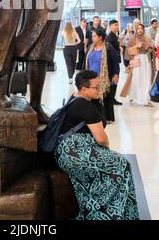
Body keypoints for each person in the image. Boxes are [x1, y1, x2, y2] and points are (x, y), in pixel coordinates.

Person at [55, 69, 139, 220]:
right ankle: (111, 213)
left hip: (66, 153)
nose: (99, 89)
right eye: (96, 87)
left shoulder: (74, 98)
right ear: (83, 88)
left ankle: (99, 208)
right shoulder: (85, 106)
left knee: (113, 165)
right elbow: (101, 139)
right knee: (122, 164)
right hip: (76, 153)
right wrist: (107, 152)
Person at [85, 28, 120, 123]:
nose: (92, 38)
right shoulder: (90, 48)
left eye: (94, 36)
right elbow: (86, 63)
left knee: (106, 98)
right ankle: (94, 117)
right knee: (93, 99)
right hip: (91, 78)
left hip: (104, 78)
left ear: (100, 37)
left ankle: (107, 118)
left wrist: (116, 74)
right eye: (92, 36)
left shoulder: (108, 48)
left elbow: (115, 62)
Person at [127, 23, 156, 106]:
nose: (140, 30)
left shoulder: (147, 38)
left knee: (146, 78)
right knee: (137, 78)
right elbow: (128, 51)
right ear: (136, 29)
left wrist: (150, 49)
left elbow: (153, 50)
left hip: (146, 61)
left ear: (143, 29)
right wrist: (137, 46)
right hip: (136, 60)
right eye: (138, 28)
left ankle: (146, 99)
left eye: (141, 28)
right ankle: (135, 96)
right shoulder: (133, 39)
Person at [105, 19, 122, 105]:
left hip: (115, 61)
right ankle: (111, 99)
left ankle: (112, 99)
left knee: (115, 81)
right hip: (112, 63)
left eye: (118, 25)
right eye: (115, 25)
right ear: (110, 26)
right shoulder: (109, 37)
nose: (117, 27)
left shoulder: (114, 36)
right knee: (113, 80)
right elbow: (108, 51)